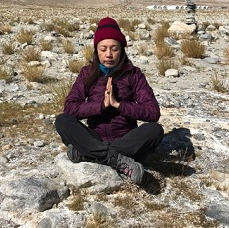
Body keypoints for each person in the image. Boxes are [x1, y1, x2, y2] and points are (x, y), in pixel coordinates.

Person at [55, 17, 164, 184]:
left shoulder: (133, 74)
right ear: (96, 51)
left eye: (114, 49)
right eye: (103, 49)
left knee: (155, 130)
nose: (109, 55)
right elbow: (70, 107)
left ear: (122, 50)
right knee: (63, 120)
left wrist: (118, 105)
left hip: (126, 140)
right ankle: (116, 159)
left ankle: (89, 154)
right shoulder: (87, 73)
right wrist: (102, 105)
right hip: (95, 137)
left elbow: (152, 112)